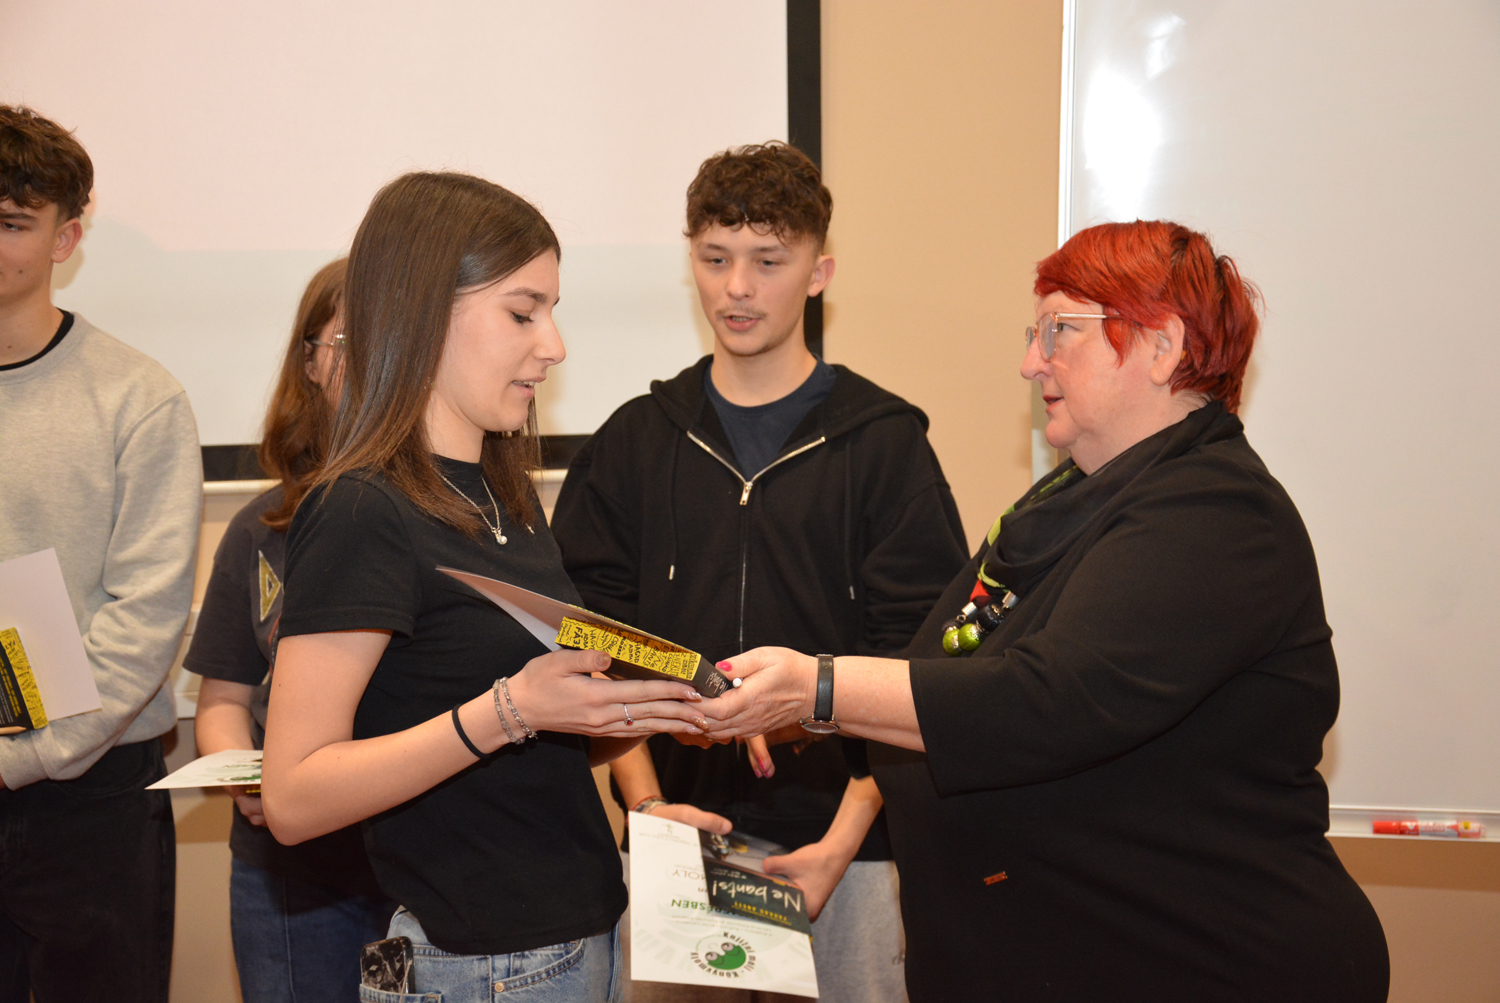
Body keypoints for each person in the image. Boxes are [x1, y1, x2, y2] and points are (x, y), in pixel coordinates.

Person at [697, 220, 1391, 1001]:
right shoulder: (1064, 503)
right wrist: (801, 717)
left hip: (1205, 962)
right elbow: (939, 674)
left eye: (1060, 331)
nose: (1031, 363)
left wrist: (817, 686)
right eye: (1035, 334)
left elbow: (1047, 699)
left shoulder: (1220, 514)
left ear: (1162, 346)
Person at [260, 171, 710, 1003]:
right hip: (478, 964)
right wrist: (510, 709)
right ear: (426, 311)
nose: (554, 345)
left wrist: (665, 705)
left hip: (576, 938)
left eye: (552, 310)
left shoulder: (504, 494)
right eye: (522, 312)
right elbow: (293, 795)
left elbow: (535, 736)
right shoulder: (361, 508)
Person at [551, 142, 968, 1002]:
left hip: (845, 853)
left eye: (768, 261)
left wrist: (843, 840)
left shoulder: (886, 445)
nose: (737, 287)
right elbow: (592, 646)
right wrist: (647, 810)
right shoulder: (634, 441)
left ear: (819, 273)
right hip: (674, 846)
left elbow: (922, 667)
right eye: (715, 259)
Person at [0, 105, 201, 1001]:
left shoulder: (137, 398)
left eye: (12, 223)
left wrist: (23, 757)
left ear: (66, 238)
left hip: (89, 796)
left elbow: (145, 621)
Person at [185, 257, 397, 1002]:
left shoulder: (444, 521)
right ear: (309, 362)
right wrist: (244, 776)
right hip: (290, 875)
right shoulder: (259, 529)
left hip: (422, 867)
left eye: (390, 339)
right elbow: (222, 699)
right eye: (346, 342)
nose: (367, 363)